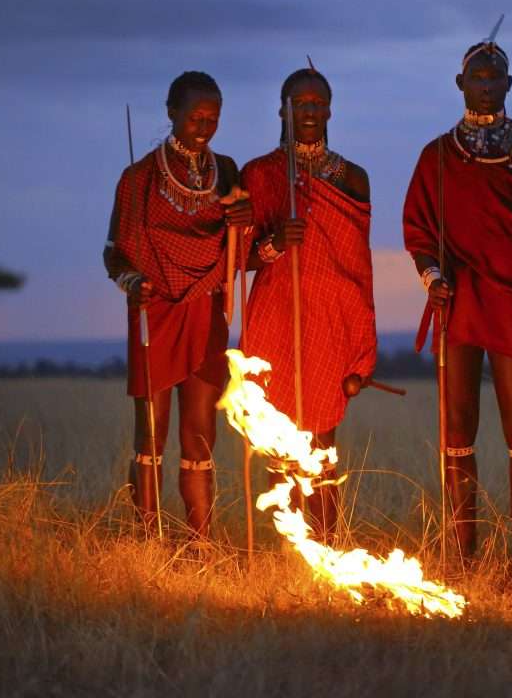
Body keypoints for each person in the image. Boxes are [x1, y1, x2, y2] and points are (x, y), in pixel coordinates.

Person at [403, 37, 512, 570]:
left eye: (496, 76)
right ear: (460, 84)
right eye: (478, 76)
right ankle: (464, 556)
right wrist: (432, 276)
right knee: (457, 426)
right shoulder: (438, 155)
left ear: (510, 85)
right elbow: (418, 229)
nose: (487, 84)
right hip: (461, 300)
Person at [104, 71, 251, 540]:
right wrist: (132, 282)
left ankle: (199, 546)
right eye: (195, 117)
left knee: (199, 435)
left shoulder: (226, 170)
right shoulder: (139, 178)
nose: (204, 127)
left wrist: (244, 220)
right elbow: (114, 251)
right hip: (155, 309)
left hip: (206, 307)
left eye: (213, 118)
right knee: (150, 436)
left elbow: (240, 245)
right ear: (171, 112)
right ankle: (149, 541)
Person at [239, 65, 376, 544]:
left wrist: (362, 347)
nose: (311, 111)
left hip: (329, 318)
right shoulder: (258, 173)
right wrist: (274, 244)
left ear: (331, 110)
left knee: (322, 438)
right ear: (283, 109)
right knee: (279, 436)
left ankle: (330, 546)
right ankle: (292, 549)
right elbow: (239, 260)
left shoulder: (352, 178)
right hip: (276, 314)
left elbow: (361, 271)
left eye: (319, 103)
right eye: (301, 103)